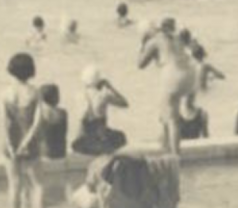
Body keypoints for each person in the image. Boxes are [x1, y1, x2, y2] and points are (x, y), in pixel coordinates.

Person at [138, 18, 197, 155]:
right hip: (191, 74)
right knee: (165, 110)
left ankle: (175, 157)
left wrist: (142, 43)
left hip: (174, 75)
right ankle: (165, 146)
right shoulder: (175, 37)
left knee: (172, 117)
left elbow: (140, 64)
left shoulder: (154, 41)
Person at [1, 53, 44, 208]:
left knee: (14, 184)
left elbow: (5, 123)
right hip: (30, 144)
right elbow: (37, 123)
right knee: (38, 185)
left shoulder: (4, 94)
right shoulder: (35, 93)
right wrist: (25, 143)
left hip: (9, 142)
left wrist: (11, 145)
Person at [72, 66, 129, 156]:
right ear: (99, 81)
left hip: (85, 140)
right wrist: (110, 87)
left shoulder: (79, 95)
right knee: (121, 137)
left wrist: (77, 139)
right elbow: (125, 103)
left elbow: (81, 120)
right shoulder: (104, 95)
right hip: (100, 139)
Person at [37, 84, 68, 161]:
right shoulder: (63, 113)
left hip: (44, 153)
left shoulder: (39, 113)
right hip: (61, 153)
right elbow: (64, 131)